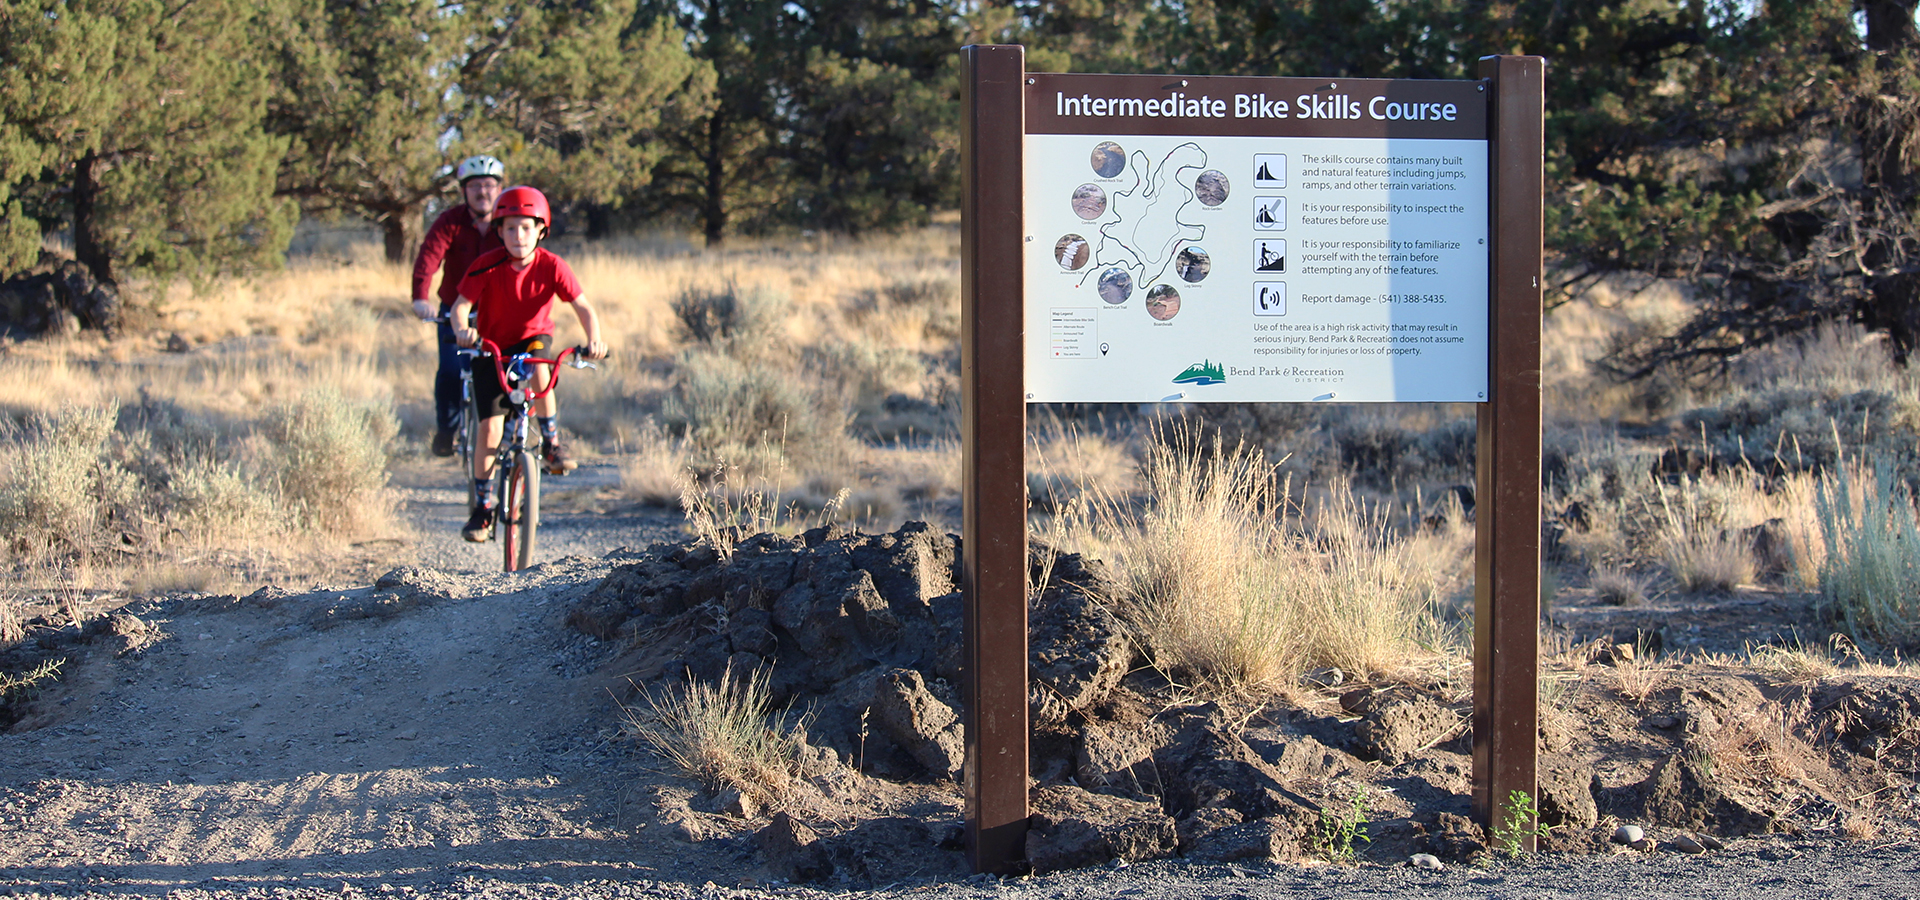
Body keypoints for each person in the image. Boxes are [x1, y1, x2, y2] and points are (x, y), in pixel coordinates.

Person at [448, 186, 608, 542]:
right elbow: (460, 307)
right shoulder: (486, 265)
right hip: (490, 347)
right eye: (510, 228)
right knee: (489, 429)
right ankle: (483, 508)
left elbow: (583, 306)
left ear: (541, 230)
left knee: (541, 366)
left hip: (533, 340)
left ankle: (551, 443)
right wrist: (463, 331)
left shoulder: (552, 265)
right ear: (499, 232)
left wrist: (594, 340)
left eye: (526, 228)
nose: (518, 236)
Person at [411, 155, 507, 457]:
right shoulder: (450, 221)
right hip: (454, 311)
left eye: (490, 185)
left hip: (497, 312)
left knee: (506, 372)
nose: (483, 192)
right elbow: (429, 257)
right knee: (451, 370)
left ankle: (509, 433)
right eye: (475, 186)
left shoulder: (509, 223)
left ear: (500, 188)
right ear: (464, 191)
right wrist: (420, 299)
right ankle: (447, 430)